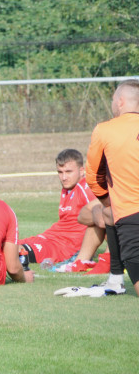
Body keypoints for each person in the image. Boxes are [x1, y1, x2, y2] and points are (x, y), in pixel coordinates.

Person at [84, 79, 139, 296]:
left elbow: (93, 176)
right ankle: (116, 277)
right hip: (126, 213)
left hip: (131, 216)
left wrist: (109, 201)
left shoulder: (105, 130)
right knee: (108, 215)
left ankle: (116, 279)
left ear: (121, 102)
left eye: (113, 99)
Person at [18, 149, 103, 272]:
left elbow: (105, 218)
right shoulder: (67, 188)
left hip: (61, 247)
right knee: (8, 244)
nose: (64, 177)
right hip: (49, 237)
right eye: (60, 172)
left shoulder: (86, 188)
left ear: (81, 170)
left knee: (16, 251)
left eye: (68, 172)